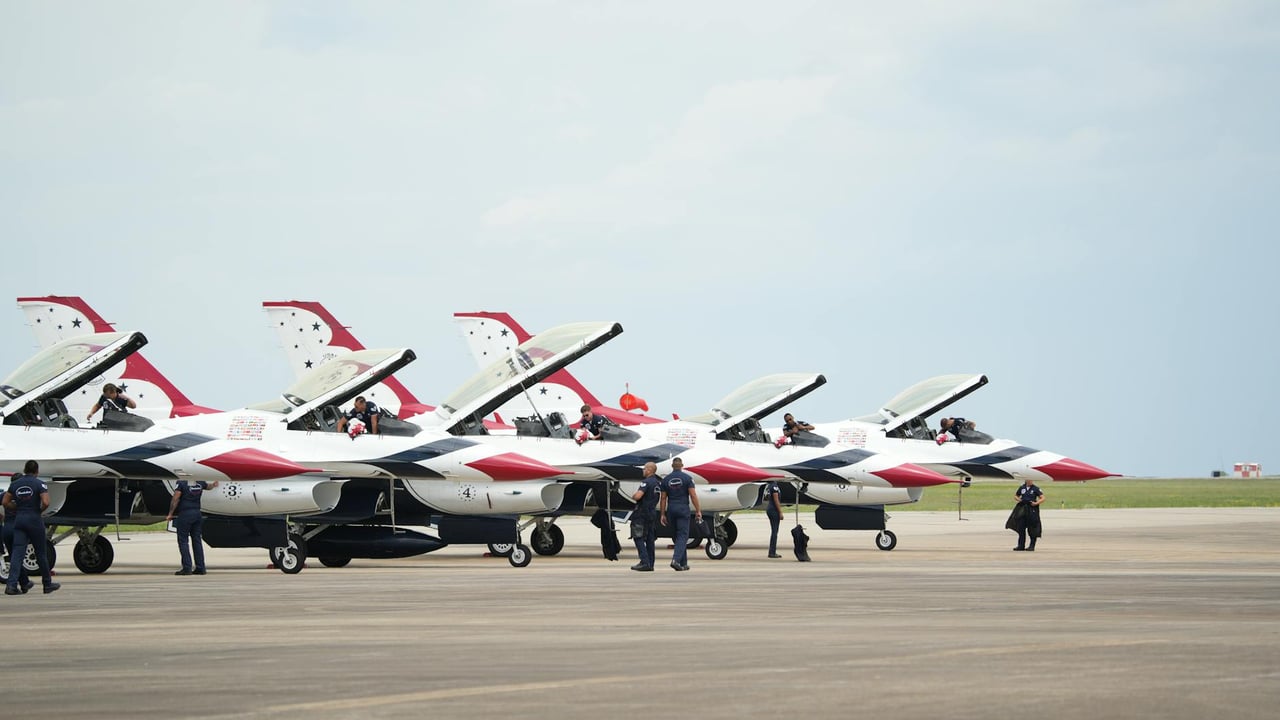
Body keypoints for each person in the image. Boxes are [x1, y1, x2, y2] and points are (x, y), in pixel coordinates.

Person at [3, 461, 59, 595]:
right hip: (34, 519)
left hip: (20, 519)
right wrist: (39, 510)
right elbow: (46, 502)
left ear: (24, 470)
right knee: (40, 552)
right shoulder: (39, 483)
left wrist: (17, 508)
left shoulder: (15, 484)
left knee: (17, 553)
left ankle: (11, 585)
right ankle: (47, 583)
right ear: (37, 471)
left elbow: (5, 502)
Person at [166, 479, 219, 575]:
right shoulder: (199, 482)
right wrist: (214, 485)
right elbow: (208, 487)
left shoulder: (181, 483)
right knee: (197, 540)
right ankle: (200, 567)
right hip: (197, 513)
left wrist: (170, 513)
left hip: (185, 514)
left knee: (183, 541)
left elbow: (176, 498)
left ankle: (187, 567)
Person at [658, 457, 702, 571]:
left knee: (677, 537)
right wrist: (698, 510)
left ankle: (683, 563)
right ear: (682, 465)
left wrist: (662, 514)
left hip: (671, 509)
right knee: (683, 536)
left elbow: (663, 498)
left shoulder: (666, 479)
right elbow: (693, 495)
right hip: (683, 508)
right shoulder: (688, 478)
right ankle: (676, 560)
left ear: (672, 466)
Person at [629, 462, 662, 571]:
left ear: (649, 470)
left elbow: (638, 496)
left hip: (642, 513)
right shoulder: (657, 483)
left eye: (644, 469)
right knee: (650, 539)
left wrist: (634, 495)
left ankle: (644, 561)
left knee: (638, 537)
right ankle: (651, 563)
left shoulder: (646, 482)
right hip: (652, 513)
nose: (643, 471)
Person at [1006, 477, 1044, 551]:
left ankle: (1032, 546)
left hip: (1032, 509)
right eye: (1029, 480)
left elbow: (1042, 498)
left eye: (1031, 479)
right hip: (1023, 509)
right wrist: (1019, 500)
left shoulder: (1035, 488)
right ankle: (1021, 545)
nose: (1030, 481)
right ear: (1026, 480)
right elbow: (1016, 496)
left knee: (1032, 528)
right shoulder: (1022, 488)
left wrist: (1036, 503)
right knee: (1021, 528)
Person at [763, 479, 784, 558]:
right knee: (775, 531)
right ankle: (772, 552)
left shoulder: (769, 485)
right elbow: (776, 499)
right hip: (773, 510)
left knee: (774, 531)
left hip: (770, 509)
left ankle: (772, 551)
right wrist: (780, 512)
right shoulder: (774, 486)